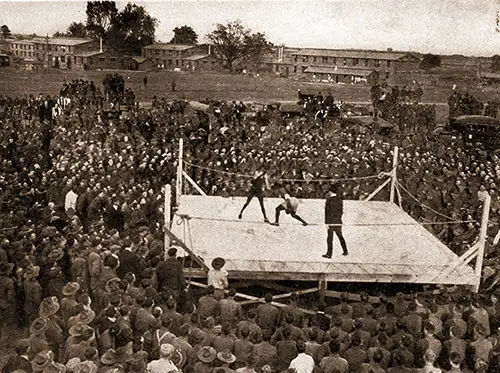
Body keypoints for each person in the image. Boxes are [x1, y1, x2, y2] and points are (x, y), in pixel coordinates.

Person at [323, 184, 348, 258]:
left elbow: (327, 213)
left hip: (331, 222)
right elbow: (341, 212)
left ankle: (329, 254)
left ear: (330, 192)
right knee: (340, 237)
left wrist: (326, 223)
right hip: (338, 221)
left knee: (330, 239)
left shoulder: (329, 200)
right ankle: (345, 251)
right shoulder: (340, 200)